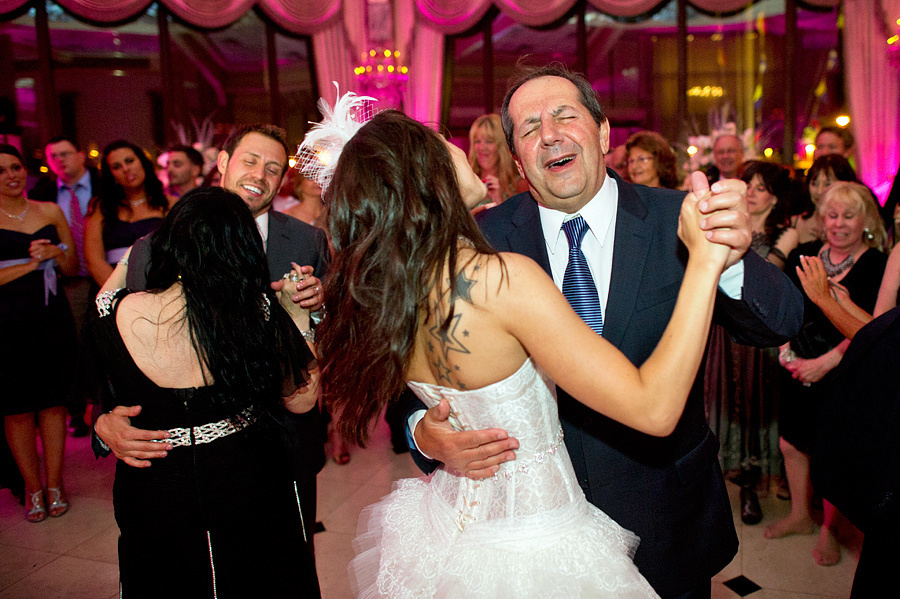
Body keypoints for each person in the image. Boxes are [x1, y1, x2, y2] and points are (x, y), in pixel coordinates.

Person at [301, 91, 731, 596]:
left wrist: (425, 431)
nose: (459, 147)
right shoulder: (502, 280)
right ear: (427, 174)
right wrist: (705, 259)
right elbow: (655, 409)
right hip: (540, 539)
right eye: (443, 142)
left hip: (455, 530)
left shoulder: (390, 294)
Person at [409, 65, 804, 598]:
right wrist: (422, 432)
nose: (548, 134)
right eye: (528, 128)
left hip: (665, 512)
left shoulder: (679, 218)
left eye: (564, 116)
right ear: (519, 159)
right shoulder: (480, 242)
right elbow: (416, 364)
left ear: (602, 133)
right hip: (536, 533)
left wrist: (728, 259)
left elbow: (782, 321)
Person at [94, 123, 328, 555]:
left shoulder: (307, 238)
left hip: (286, 439)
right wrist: (104, 422)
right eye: (250, 161)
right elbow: (119, 350)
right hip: (181, 468)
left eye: (273, 168)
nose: (259, 175)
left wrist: (317, 307)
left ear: (283, 180)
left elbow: (338, 335)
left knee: (283, 562)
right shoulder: (154, 245)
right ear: (223, 162)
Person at [771, 181, 887, 567]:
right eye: (831, 215)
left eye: (848, 216)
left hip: (845, 370)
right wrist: (786, 351)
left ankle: (829, 530)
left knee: (833, 450)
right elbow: (788, 309)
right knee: (791, 443)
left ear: (865, 221)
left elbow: (875, 331)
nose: (838, 224)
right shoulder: (805, 254)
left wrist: (823, 365)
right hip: (796, 364)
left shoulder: (877, 264)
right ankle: (801, 515)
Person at [704, 160, 798, 526]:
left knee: (759, 406)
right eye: (750, 187)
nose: (754, 194)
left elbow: (774, 287)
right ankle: (736, 476)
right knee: (729, 403)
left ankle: (756, 485)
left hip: (763, 342)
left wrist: (783, 246)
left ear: (775, 197)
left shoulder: (786, 234)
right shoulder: (727, 224)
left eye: (761, 188)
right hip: (726, 338)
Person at [0, 144, 78, 522]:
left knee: (52, 402)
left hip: (50, 315)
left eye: (15, 167)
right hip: (6, 320)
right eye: (1, 171)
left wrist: (54, 255)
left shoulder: (49, 210)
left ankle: (55, 482)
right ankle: (32, 487)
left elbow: (71, 262)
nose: (11, 175)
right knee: (16, 408)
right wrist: (31, 264)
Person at [29, 135, 101, 437]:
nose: (60, 160)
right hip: (66, 280)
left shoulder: (103, 185)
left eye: (66, 154)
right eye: (53, 156)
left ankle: (104, 403)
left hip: (105, 274)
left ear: (81, 155)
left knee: (106, 339)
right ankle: (76, 409)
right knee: (73, 343)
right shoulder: (42, 194)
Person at [84, 140, 169, 288]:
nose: (125, 169)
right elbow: (93, 260)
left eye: (130, 161)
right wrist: (120, 294)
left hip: (159, 287)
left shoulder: (168, 204)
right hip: (111, 288)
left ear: (143, 163)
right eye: (116, 166)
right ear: (112, 175)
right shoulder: (101, 208)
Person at [792, 154, 859, 245]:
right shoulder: (794, 222)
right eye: (814, 184)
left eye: (827, 184)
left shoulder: (854, 225)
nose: (819, 191)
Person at [467, 113, 526, 207]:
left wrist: (499, 200)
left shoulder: (519, 185)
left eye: (489, 141)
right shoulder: (466, 183)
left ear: (502, 147)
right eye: (477, 141)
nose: (482, 147)